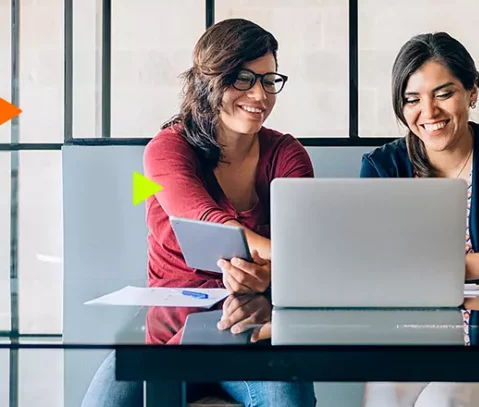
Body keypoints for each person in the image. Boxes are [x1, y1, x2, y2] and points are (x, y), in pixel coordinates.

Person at [81, 18, 316, 407]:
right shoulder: (168, 148)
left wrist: (270, 272)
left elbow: (305, 245)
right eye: (244, 79)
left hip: (254, 334)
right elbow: (206, 224)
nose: (260, 94)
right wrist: (284, 259)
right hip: (169, 342)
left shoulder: (286, 156)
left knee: (288, 399)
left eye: (269, 80)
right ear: (210, 79)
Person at [359, 32, 479, 407]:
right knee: (383, 398)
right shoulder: (382, 167)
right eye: (412, 99)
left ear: (473, 92)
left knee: (441, 401)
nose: (429, 112)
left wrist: (422, 269)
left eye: (444, 93)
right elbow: (379, 270)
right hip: (409, 342)